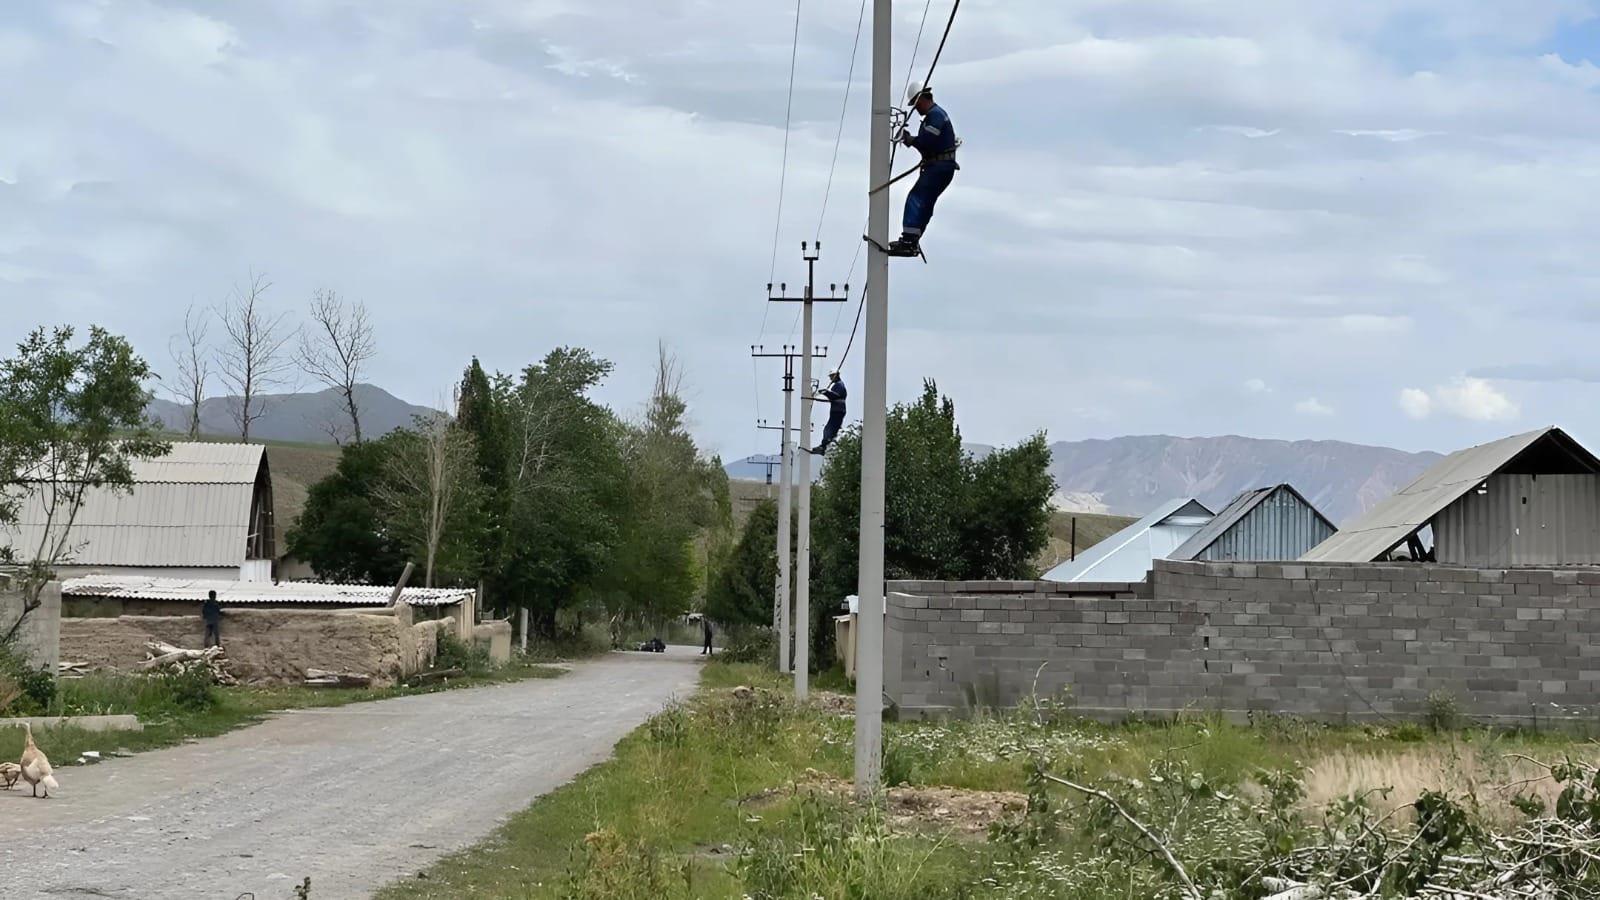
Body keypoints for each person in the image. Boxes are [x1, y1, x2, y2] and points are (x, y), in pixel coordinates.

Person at [888, 84, 959, 257]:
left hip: (939, 168)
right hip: (940, 167)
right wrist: (910, 140)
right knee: (925, 203)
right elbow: (927, 146)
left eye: (916, 103)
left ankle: (909, 239)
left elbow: (927, 142)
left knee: (916, 198)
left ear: (921, 98)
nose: (916, 108)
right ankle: (913, 239)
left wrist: (910, 139)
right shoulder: (936, 116)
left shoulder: (935, 116)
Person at [807, 370, 848, 455]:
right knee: (830, 429)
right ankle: (826, 446)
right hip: (836, 410)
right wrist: (825, 393)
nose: (830, 379)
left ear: (836, 375)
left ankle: (824, 446)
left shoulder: (839, 385)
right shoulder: (837, 385)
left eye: (831, 376)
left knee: (829, 429)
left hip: (838, 410)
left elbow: (835, 395)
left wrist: (826, 392)